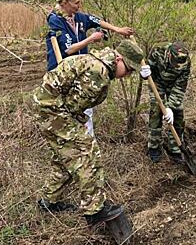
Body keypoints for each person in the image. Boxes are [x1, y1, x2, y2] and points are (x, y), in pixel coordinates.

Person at [33, 40, 146, 226]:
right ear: (118, 58)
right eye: (128, 69)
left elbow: (73, 104)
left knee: (66, 158)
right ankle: (94, 209)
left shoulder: (97, 63)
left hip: (50, 107)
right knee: (86, 153)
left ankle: (48, 202)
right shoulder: (98, 72)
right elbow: (72, 106)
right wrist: (78, 126)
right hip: (52, 110)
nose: (127, 75)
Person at [46, 0, 134, 136]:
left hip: (82, 72)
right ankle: (71, 142)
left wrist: (118, 29)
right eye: (76, 3)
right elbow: (68, 49)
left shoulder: (78, 17)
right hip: (64, 72)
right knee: (67, 110)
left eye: (80, 3)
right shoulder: (56, 20)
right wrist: (91, 39)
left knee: (86, 108)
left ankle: (88, 141)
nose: (79, 7)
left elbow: (96, 20)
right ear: (65, 2)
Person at [141, 41, 191, 163]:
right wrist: (143, 74)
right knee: (156, 112)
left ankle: (175, 149)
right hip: (157, 84)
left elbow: (180, 87)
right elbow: (147, 69)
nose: (176, 67)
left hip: (174, 85)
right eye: (174, 63)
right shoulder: (158, 51)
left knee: (178, 113)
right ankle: (154, 147)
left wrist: (170, 108)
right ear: (169, 54)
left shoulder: (185, 62)